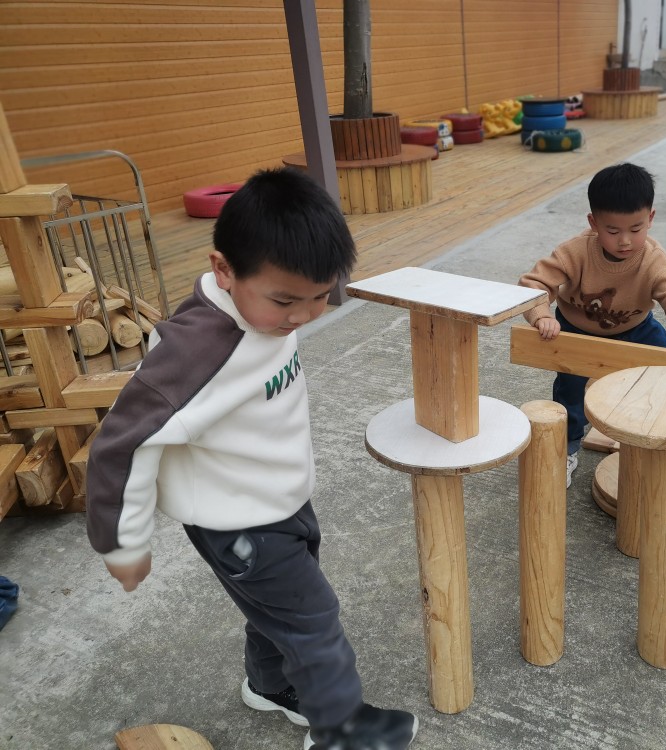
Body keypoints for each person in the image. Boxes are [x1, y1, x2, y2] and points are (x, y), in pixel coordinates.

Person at [86, 167, 418, 750]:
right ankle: (341, 730)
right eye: (286, 300)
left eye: (320, 296)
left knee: (278, 612)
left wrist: (284, 305)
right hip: (239, 524)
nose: (304, 315)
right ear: (224, 270)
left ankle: (272, 686)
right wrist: (121, 543)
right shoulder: (197, 354)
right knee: (313, 621)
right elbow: (122, 443)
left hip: (279, 500)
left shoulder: (259, 308)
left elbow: (280, 324)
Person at [518, 162, 666, 488]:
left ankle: (659, 434)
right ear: (594, 223)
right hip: (577, 331)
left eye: (636, 229)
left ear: (650, 218)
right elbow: (534, 284)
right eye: (612, 231)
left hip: (636, 329)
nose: (625, 240)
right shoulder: (574, 252)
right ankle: (566, 448)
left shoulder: (653, 259)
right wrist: (541, 315)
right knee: (570, 392)